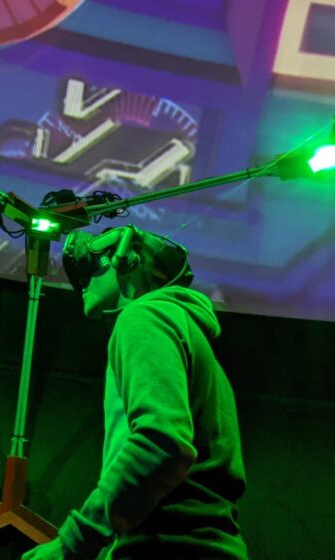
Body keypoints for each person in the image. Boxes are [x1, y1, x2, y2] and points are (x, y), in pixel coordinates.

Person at [23, 225, 247, 560]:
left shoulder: (142, 318)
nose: (81, 281)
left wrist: (71, 545)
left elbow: (162, 442)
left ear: (126, 259)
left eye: (92, 264)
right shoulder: (190, 336)